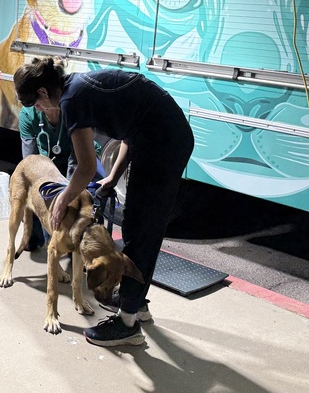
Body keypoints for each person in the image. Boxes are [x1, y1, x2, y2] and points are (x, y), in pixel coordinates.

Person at [13, 58, 194, 348]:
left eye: (36, 104)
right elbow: (131, 132)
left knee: (141, 228)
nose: (40, 110)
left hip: (164, 142)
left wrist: (62, 199)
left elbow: (85, 167)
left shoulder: (72, 99)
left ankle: (127, 323)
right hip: (159, 136)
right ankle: (137, 303)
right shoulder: (79, 87)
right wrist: (113, 176)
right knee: (138, 223)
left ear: (44, 92)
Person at [18, 103, 73, 250]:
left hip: (75, 159)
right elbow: (29, 162)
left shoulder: (70, 108)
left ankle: (71, 241)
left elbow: (76, 161)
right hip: (46, 164)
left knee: (82, 196)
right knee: (35, 187)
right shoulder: (28, 113)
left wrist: (67, 195)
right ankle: (34, 234)